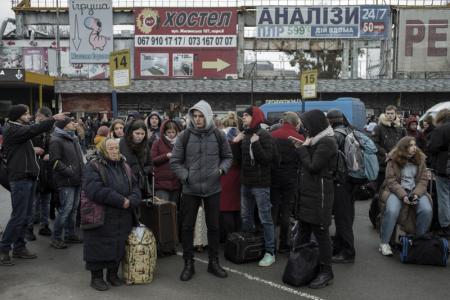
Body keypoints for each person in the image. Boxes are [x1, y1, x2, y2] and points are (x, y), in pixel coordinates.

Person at [170, 100, 232, 281]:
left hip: (213, 188)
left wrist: (221, 170)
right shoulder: (184, 136)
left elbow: (228, 157)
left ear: (208, 116)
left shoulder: (219, 135)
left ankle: (214, 263)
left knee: (214, 227)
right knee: (187, 227)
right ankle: (188, 264)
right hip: (190, 189)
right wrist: (186, 176)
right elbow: (175, 161)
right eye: (194, 116)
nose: (197, 120)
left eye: (200, 116)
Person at [0, 105, 67, 266]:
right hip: (20, 178)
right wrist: (53, 118)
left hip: (28, 177)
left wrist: (32, 149)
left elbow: (28, 135)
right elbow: (33, 130)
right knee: (19, 216)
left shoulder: (20, 128)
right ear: (17, 116)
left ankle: (19, 247)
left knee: (26, 215)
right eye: (26, 114)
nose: (29, 116)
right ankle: (4, 249)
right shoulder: (12, 129)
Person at [82, 138, 141, 291]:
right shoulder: (93, 166)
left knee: (118, 243)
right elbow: (95, 190)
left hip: (123, 214)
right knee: (98, 245)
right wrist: (122, 201)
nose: (115, 151)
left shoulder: (124, 165)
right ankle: (96, 278)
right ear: (102, 150)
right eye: (111, 149)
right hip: (101, 214)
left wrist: (133, 199)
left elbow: (135, 186)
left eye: (117, 148)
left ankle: (112, 274)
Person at [293, 109, 337, 289]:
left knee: (321, 233)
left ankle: (326, 271)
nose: (304, 128)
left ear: (315, 124)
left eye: (306, 124)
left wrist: (302, 148)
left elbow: (313, 166)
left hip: (319, 196)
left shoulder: (327, 142)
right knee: (303, 229)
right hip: (309, 195)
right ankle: (300, 264)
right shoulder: (317, 139)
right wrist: (305, 145)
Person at [232, 106, 276, 267]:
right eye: (242, 115)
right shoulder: (245, 134)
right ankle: (249, 246)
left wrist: (256, 145)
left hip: (260, 185)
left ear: (255, 117)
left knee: (265, 218)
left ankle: (270, 252)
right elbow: (237, 161)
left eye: (246, 115)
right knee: (246, 217)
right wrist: (235, 143)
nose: (243, 118)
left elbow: (267, 160)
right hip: (246, 183)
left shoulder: (264, 135)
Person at [378, 136, 433, 256]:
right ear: (403, 148)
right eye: (410, 146)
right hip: (397, 190)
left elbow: (423, 180)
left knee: (426, 210)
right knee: (392, 210)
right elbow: (391, 181)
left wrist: (416, 195)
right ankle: (384, 243)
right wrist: (403, 196)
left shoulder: (420, 159)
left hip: (415, 190)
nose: (414, 148)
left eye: (414, 145)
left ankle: (418, 241)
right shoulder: (393, 159)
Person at [326, 109, 363, 264]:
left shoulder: (336, 135)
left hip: (341, 181)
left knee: (342, 219)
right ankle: (341, 245)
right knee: (347, 216)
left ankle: (347, 252)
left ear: (331, 121)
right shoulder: (351, 130)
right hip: (352, 180)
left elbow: (329, 157)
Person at [270, 112, 304, 253]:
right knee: (286, 211)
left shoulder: (273, 135)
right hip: (291, 178)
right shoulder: (300, 138)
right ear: (295, 122)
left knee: (272, 210)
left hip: (274, 176)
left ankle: (270, 244)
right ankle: (284, 243)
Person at [49, 117, 84, 249]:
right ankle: (56, 237)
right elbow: (55, 161)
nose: (74, 124)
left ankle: (70, 234)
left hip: (76, 179)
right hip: (66, 180)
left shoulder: (72, 137)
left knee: (73, 209)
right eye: (71, 122)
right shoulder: (56, 140)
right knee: (66, 209)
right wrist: (69, 172)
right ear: (64, 125)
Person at [30, 107, 54, 238]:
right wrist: (32, 149)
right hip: (34, 167)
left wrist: (51, 154)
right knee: (35, 198)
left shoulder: (52, 130)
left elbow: (56, 147)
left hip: (47, 168)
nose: (36, 117)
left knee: (45, 197)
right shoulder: (31, 130)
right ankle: (31, 225)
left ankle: (44, 225)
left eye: (38, 115)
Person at [372, 105, 406, 191]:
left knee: (396, 186)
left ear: (396, 114)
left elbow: (405, 143)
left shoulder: (400, 128)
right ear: (385, 114)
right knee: (381, 187)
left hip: (397, 161)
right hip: (383, 162)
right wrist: (383, 152)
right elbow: (374, 143)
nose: (390, 115)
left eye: (392, 113)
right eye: (388, 113)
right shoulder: (378, 127)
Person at [427, 109, 450, 237]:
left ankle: (446, 226)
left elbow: (432, 147)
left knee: (444, 198)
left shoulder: (441, 129)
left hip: (444, 168)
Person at [219, 113, 241, 242]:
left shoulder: (221, 137)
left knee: (225, 208)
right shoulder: (240, 136)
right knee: (237, 209)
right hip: (238, 174)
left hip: (224, 174)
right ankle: (237, 237)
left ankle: (226, 238)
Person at [120, 119, 152, 198]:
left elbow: (150, 164)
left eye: (142, 133)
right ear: (131, 133)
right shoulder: (122, 143)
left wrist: (143, 171)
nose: (140, 136)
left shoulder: (145, 145)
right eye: (137, 133)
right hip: (125, 183)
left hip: (140, 183)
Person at [151, 119, 181, 204]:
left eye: (173, 132)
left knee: (173, 210)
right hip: (161, 183)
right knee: (162, 210)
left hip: (176, 183)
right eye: (169, 132)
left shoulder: (179, 143)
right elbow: (153, 160)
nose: (171, 134)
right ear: (164, 132)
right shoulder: (157, 143)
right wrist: (166, 156)